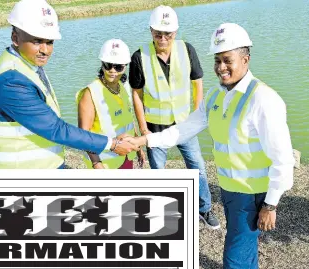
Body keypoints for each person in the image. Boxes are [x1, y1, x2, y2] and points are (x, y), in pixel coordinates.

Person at [128, 23, 295, 268]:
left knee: (234, 259)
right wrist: (145, 139)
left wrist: (270, 204)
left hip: (252, 195)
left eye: (227, 60)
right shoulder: (216, 96)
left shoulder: (263, 99)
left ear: (245, 59)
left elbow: (283, 159)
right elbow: (184, 129)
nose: (221, 68)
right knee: (244, 251)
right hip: (230, 191)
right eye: (217, 61)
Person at [0, 0, 138, 169]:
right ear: (15, 38)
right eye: (36, 41)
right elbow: (56, 129)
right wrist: (111, 144)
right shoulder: (10, 81)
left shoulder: (28, 66)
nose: (45, 50)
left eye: (49, 42)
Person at [129, 5, 219, 228]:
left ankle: (204, 209)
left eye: (167, 33)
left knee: (197, 167)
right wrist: (143, 129)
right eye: (158, 33)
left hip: (183, 126)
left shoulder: (187, 50)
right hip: (154, 127)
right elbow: (136, 95)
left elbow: (198, 84)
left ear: (175, 32)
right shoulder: (139, 56)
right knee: (159, 173)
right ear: (151, 31)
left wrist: (195, 120)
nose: (162, 38)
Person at [76, 39, 145, 169]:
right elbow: (83, 135)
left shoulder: (122, 87)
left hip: (126, 156)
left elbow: (128, 120)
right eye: (108, 65)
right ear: (102, 64)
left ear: (125, 66)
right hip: (105, 163)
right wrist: (97, 163)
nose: (112, 70)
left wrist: (139, 147)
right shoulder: (90, 93)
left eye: (118, 67)